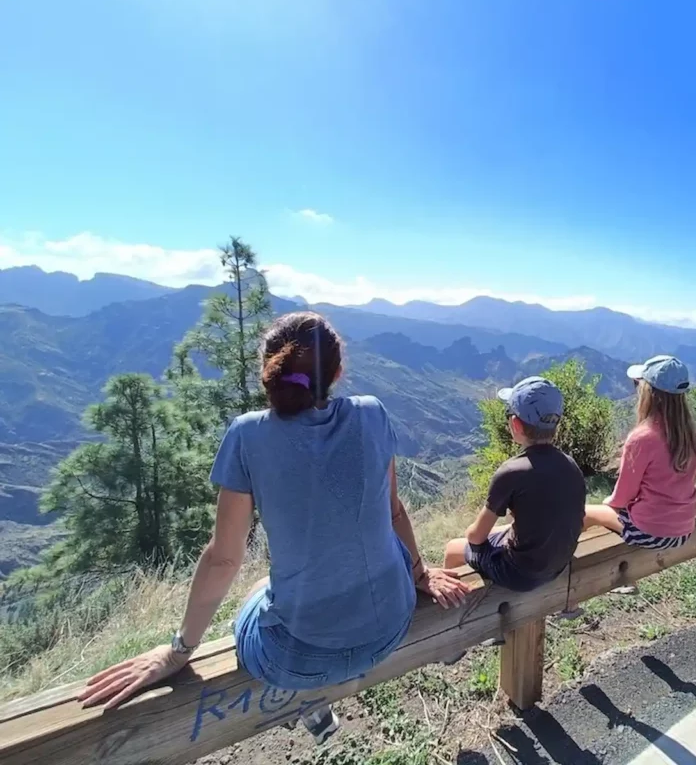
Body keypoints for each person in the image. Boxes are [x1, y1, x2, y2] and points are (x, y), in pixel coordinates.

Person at [78, 311, 469, 745]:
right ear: (337, 373)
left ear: (268, 372)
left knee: (261, 588)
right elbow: (394, 512)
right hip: (389, 628)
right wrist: (420, 574)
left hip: (295, 659)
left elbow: (225, 557)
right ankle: (312, 692)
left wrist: (177, 651)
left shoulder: (248, 436)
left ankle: (304, 699)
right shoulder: (373, 414)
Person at [444, 377, 586, 596]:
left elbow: (476, 537)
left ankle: (451, 616)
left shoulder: (511, 471)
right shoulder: (570, 465)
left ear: (516, 425)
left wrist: (469, 531)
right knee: (503, 531)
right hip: (557, 566)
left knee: (453, 548)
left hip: (521, 574)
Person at [584, 355, 696, 555]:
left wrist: (607, 503)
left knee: (583, 514)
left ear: (648, 393)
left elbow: (623, 497)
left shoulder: (642, 438)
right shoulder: (688, 436)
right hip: (683, 530)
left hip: (649, 532)